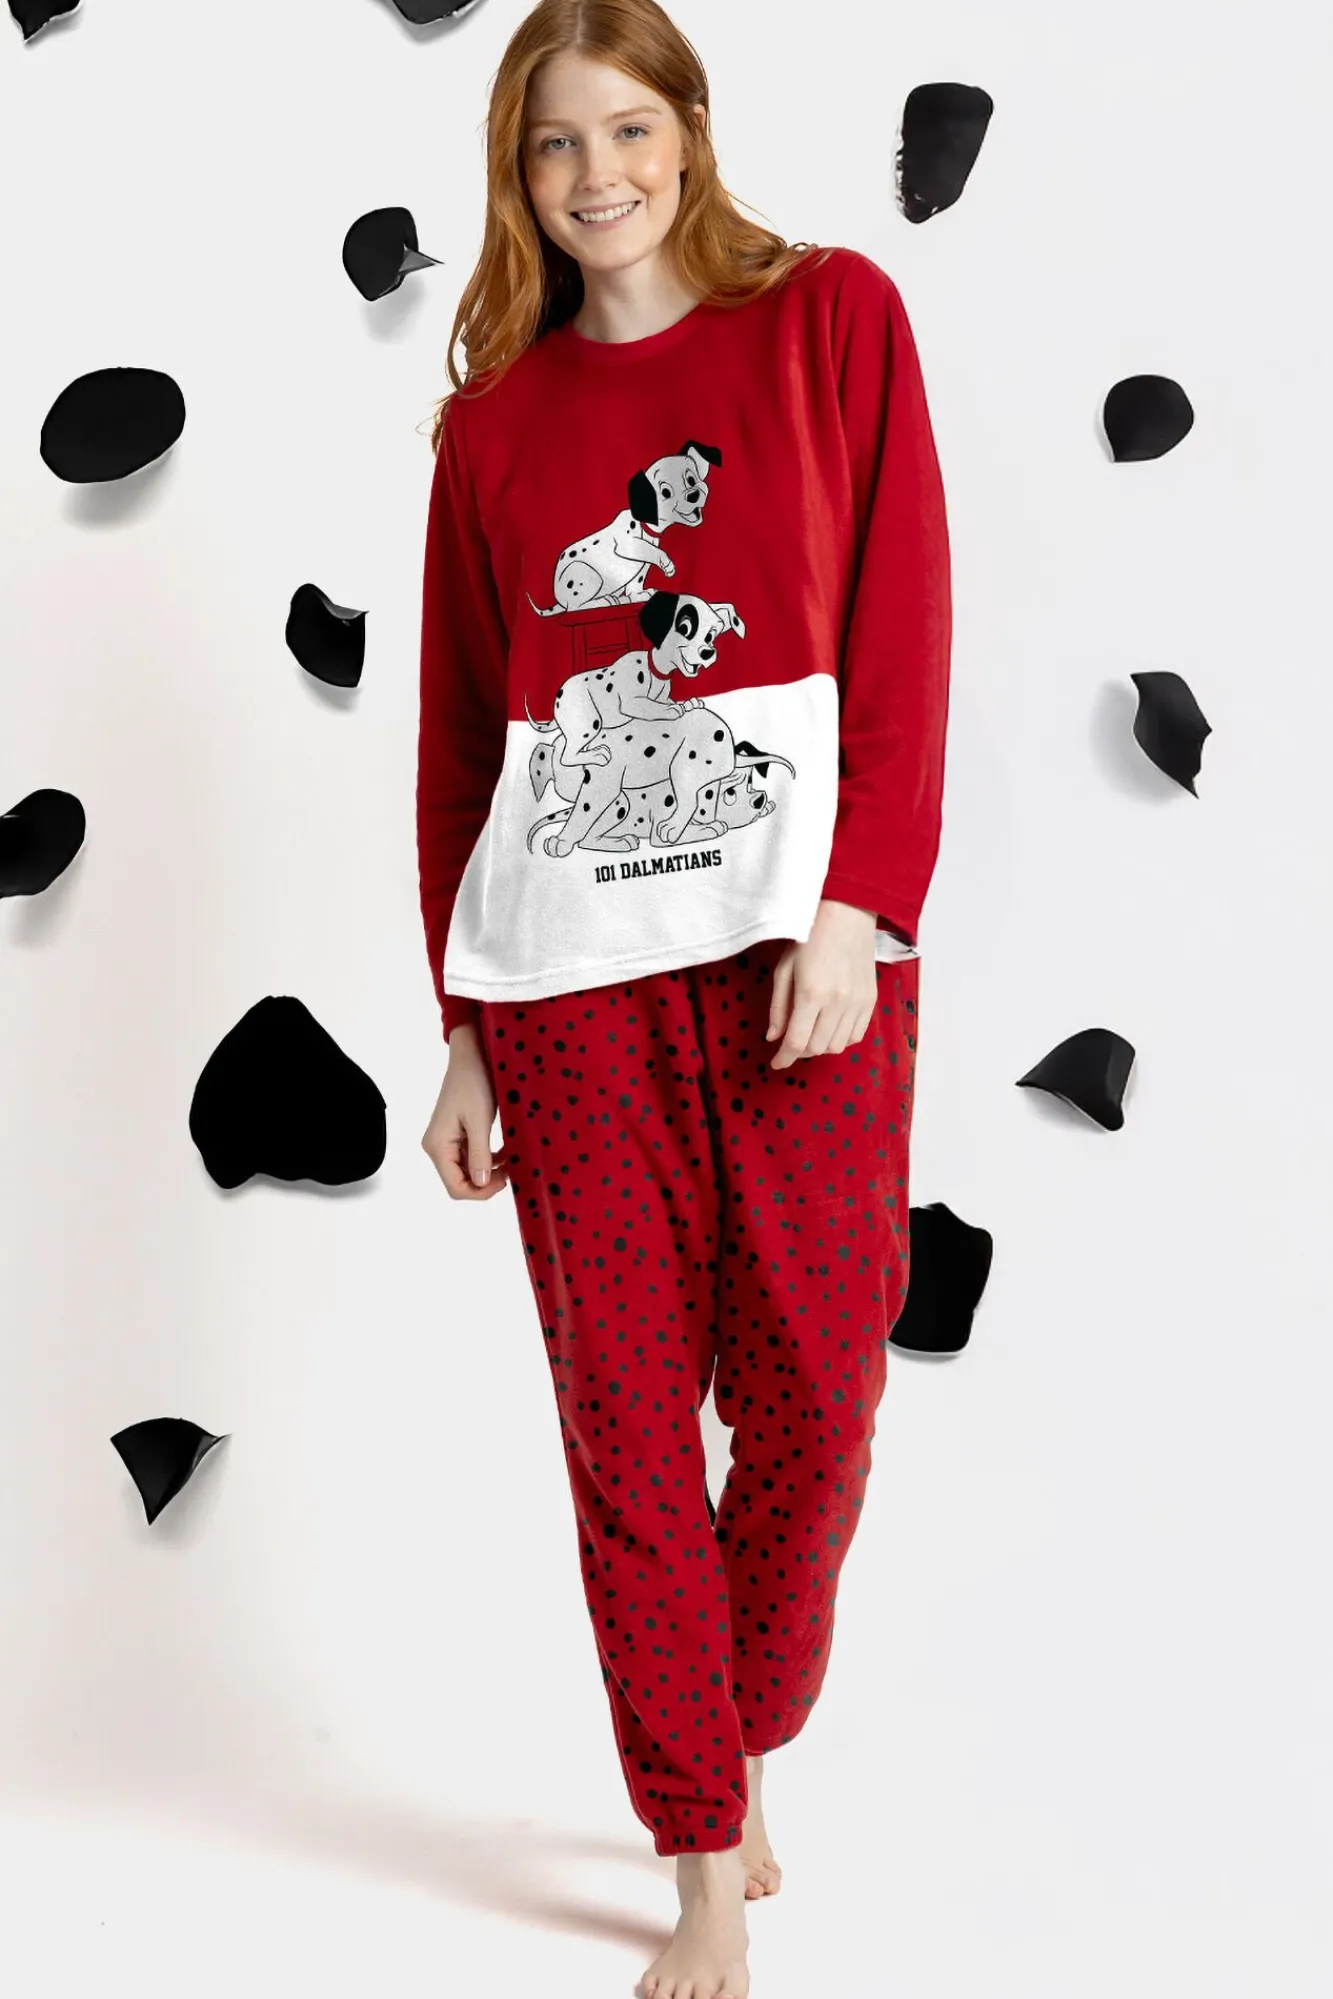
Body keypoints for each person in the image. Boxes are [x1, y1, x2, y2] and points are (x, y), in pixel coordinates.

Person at [416, 4, 952, 1994]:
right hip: (566, 995)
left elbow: (904, 620)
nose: (599, 175)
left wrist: (860, 905)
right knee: (630, 1431)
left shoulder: (832, 321)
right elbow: (462, 746)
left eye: (628, 129)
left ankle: (737, 1734)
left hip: (797, 955)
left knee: (818, 1390)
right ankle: (702, 1852)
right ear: (519, 174)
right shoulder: (492, 427)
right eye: (556, 144)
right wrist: (460, 1021)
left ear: (690, 131)